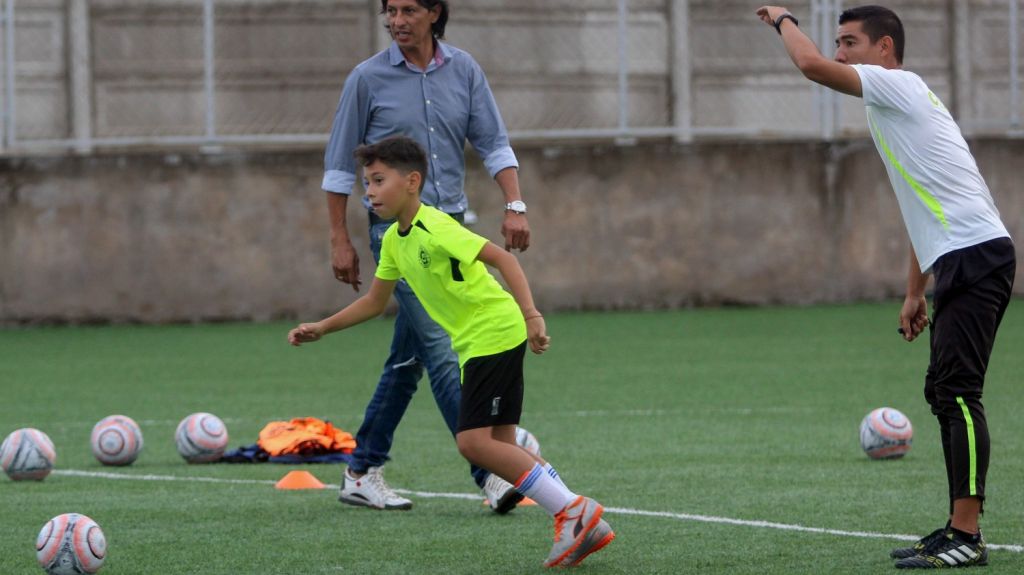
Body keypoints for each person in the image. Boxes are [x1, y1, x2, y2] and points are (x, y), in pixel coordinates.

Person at [756, 4, 1015, 569]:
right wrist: (914, 292)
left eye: (849, 42)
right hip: (961, 256)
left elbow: (811, 67)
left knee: (959, 394)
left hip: (975, 255)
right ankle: (957, 528)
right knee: (943, 391)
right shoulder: (892, 107)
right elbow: (922, 208)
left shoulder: (898, 85)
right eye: (838, 42)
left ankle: (967, 535)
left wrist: (783, 19)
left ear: (884, 49)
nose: (839, 53)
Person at [290, 137, 615, 568]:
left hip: (493, 332)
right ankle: (581, 516)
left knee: (473, 443)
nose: (369, 192)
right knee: (501, 443)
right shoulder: (393, 241)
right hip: (479, 340)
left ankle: (572, 511)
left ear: (412, 182)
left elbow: (505, 260)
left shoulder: (436, 226)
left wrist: (532, 314)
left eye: (379, 181)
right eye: (365, 183)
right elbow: (373, 302)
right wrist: (322, 328)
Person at [321, 0, 531, 512]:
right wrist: (339, 237)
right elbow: (338, 165)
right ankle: (491, 471)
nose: (397, 21)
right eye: (390, 11)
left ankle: (361, 469)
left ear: (435, 13)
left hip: (450, 231)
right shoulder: (366, 78)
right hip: (394, 236)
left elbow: (494, 143)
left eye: (409, 10)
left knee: (407, 359)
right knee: (439, 348)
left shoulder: (465, 70)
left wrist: (514, 204)